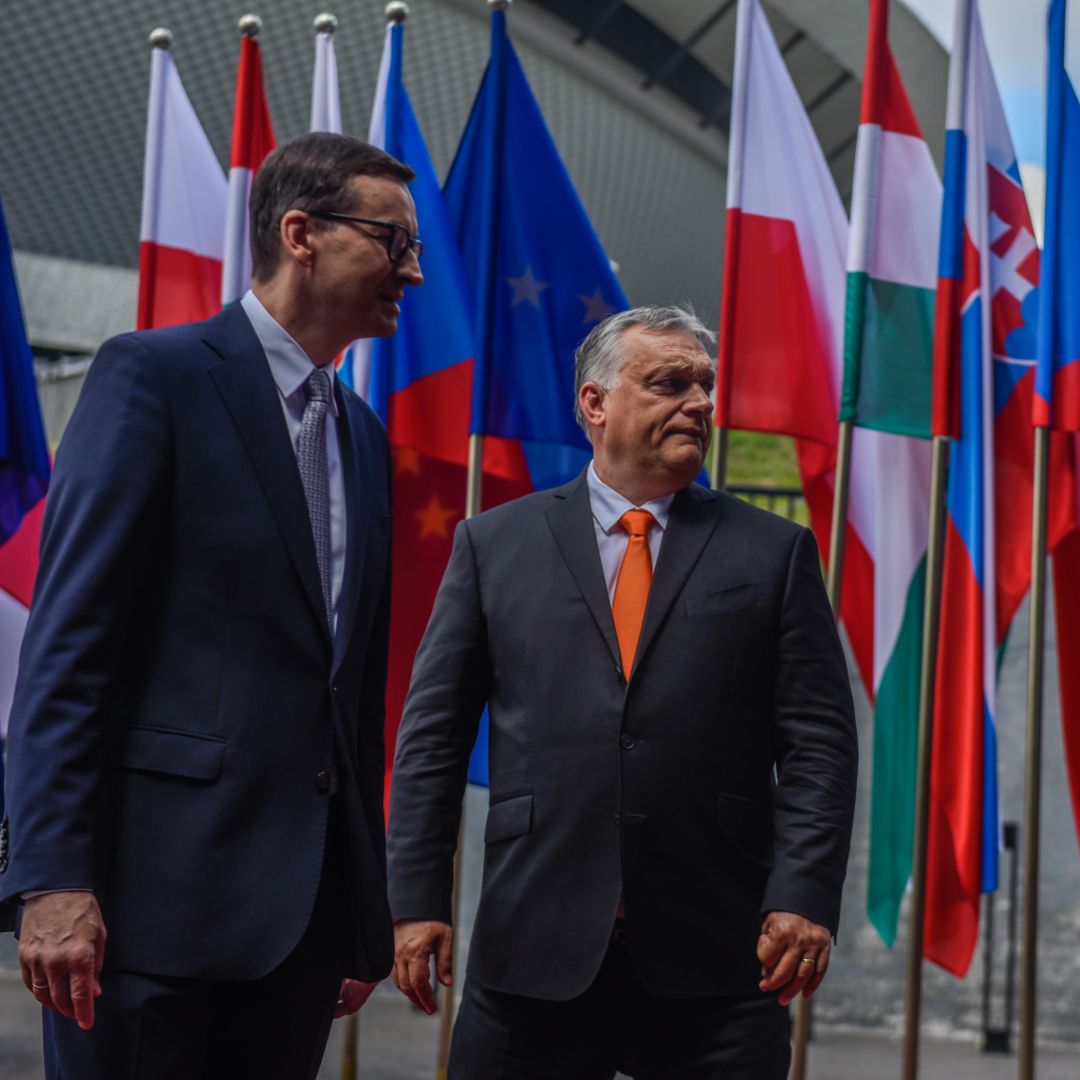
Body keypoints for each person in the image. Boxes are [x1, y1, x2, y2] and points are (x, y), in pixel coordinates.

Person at [0, 132, 423, 1079]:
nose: (415, 272)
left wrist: (357, 911)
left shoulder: (359, 434)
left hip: (299, 939)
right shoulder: (153, 378)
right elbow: (69, 651)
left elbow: (349, 699)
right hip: (143, 921)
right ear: (301, 233)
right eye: (393, 243)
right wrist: (54, 880)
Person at [386, 306, 858, 1079]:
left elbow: (819, 746)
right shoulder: (493, 546)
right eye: (670, 383)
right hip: (531, 951)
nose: (699, 403)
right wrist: (416, 901)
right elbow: (431, 739)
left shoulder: (774, 553)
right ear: (595, 403)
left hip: (720, 957)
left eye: (705, 385)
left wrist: (803, 894)